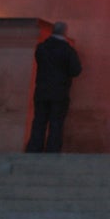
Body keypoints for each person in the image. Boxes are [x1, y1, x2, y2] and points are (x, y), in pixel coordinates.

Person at [27, 21, 82, 154]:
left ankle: (34, 150)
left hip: (42, 90)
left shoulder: (41, 48)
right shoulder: (67, 50)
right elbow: (76, 70)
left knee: (39, 121)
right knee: (56, 123)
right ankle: (52, 151)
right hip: (59, 91)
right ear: (64, 32)